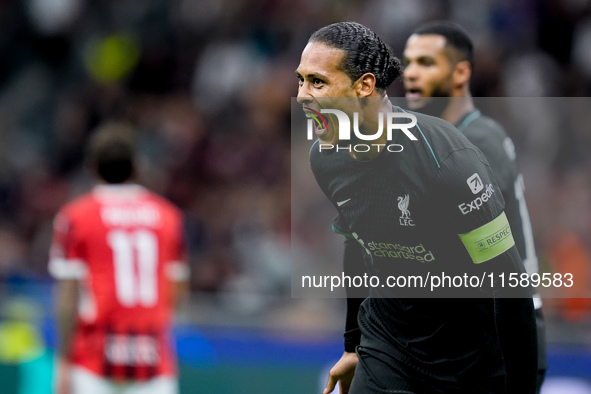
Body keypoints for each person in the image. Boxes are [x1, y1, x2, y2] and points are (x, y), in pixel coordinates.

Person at [296, 21, 538, 393]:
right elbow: (357, 246)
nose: (302, 96)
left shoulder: (447, 159)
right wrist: (352, 345)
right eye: (301, 80)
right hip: (387, 347)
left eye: (317, 82)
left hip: (469, 360)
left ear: (364, 86)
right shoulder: (325, 159)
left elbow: (508, 285)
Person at [403, 20, 547, 392]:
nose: (411, 73)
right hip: (471, 341)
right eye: (408, 62)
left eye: (426, 62)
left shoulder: (478, 142)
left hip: (502, 342)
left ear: (461, 72)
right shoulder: (447, 141)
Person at [49, 122, 189, 394]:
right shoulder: (169, 217)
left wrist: (63, 360)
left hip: (94, 357)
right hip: (152, 357)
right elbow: (177, 294)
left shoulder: (76, 217)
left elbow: (68, 298)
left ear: (91, 167)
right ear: (138, 166)